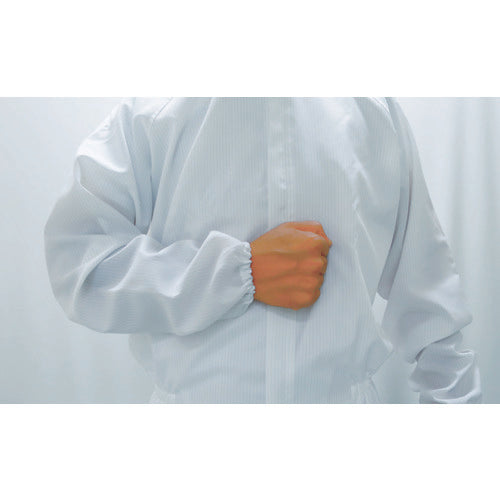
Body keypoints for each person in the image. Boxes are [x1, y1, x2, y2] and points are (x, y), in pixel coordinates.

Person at [43, 97, 481, 403]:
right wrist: (238, 272)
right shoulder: (151, 113)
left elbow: (435, 322)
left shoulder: (374, 113)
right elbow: (79, 266)